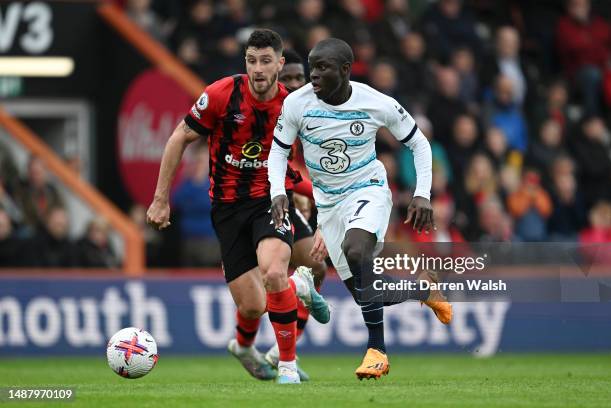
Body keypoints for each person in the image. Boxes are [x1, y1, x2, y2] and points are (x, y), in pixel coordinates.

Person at [146, 29, 330, 385]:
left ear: (279, 63)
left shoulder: (293, 106)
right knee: (252, 305)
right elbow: (178, 137)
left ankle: (287, 366)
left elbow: (316, 160)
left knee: (275, 272)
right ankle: (249, 342)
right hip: (227, 209)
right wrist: (160, 198)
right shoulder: (221, 94)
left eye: (265, 61)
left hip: (269, 200)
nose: (258, 69)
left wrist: (321, 201)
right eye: (251, 61)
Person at [268, 38, 452, 380]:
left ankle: (377, 351)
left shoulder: (375, 102)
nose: (314, 76)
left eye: (323, 69)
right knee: (366, 291)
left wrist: (422, 193)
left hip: (367, 190)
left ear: (345, 70)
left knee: (356, 250)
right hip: (329, 204)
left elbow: (418, 143)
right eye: (312, 68)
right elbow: (278, 151)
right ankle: (424, 290)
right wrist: (277, 192)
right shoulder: (297, 103)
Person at [263, 48, 328, 381]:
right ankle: (279, 351)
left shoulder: (315, 111)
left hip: (292, 197)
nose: (292, 83)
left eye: (297, 78)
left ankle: (282, 352)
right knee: (264, 289)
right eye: (285, 78)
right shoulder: (274, 110)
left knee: (316, 267)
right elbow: (280, 163)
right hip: (264, 201)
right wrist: (311, 193)